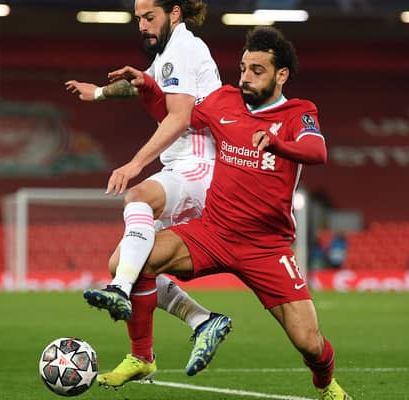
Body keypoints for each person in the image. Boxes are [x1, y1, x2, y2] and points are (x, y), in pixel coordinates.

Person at [85, 26, 352, 399]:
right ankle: (143, 355)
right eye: (243, 68)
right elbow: (172, 113)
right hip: (213, 232)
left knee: (309, 343)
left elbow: (316, 151)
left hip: (266, 247)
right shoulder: (224, 101)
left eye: (256, 70)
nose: (245, 77)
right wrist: (147, 85)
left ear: (281, 75)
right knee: (132, 261)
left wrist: (278, 144)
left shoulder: (298, 112)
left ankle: (326, 386)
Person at [65, 0, 232, 385]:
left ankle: (120, 291)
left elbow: (179, 116)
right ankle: (195, 324)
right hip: (182, 169)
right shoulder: (168, 54)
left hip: (200, 164)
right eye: (138, 18)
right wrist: (100, 94)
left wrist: (134, 164)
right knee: (125, 259)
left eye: (149, 17)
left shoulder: (185, 49)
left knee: (137, 197)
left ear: (174, 14)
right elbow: (142, 83)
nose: (142, 25)